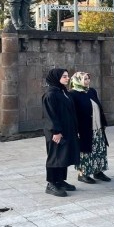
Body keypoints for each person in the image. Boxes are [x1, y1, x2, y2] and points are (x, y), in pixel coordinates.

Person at [42, 68, 80, 197]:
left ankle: (60, 181)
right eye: (64, 76)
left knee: (63, 156)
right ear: (56, 78)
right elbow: (50, 115)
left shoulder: (63, 92)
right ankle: (51, 183)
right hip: (56, 132)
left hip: (67, 130)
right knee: (55, 157)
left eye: (67, 76)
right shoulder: (51, 94)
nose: (67, 78)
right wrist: (56, 131)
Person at [69, 72, 110, 184]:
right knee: (85, 151)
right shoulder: (73, 94)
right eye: (85, 79)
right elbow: (73, 113)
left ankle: (98, 171)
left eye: (88, 79)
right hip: (84, 128)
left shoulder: (91, 91)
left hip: (97, 127)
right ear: (77, 80)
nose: (87, 81)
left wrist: (103, 123)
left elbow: (98, 107)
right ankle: (83, 174)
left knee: (99, 149)